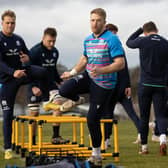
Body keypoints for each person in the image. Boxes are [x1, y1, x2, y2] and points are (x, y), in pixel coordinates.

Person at [59, 8, 125, 166]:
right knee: (64, 90)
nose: (94, 23)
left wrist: (102, 70)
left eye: (98, 20)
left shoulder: (112, 39)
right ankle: (77, 100)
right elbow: (84, 59)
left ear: (104, 22)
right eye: (92, 20)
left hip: (104, 84)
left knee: (92, 119)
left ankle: (96, 154)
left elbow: (120, 63)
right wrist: (72, 72)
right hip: (89, 76)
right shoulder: (88, 40)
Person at [0, 10, 50, 159]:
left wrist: (27, 59)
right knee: (8, 114)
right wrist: (12, 72)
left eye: (13, 23)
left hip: (22, 74)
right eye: (7, 23)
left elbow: (27, 57)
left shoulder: (18, 39)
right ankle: (8, 148)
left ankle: (47, 100)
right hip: (7, 81)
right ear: (2, 23)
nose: (10, 25)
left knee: (43, 72)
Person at [126, 21, 168, 155]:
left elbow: (129, 42)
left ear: (145, 31)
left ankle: (144, 148)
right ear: (157, 29)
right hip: (161, 85)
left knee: (144, 117)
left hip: (145, 84)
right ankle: (162, 139)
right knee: (161, 115)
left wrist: (139, 30)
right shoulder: (165, 42)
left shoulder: (143, 41)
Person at [28, 27, 69, 145]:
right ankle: (33, 141)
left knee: (58, 102)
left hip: (50, 85)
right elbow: (27, 70)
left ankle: (55, 136)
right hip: (35, 85)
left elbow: (53, 69)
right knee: (34, 113)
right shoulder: (34, 52)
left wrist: (59, 80)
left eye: (54, 41)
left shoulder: (55, 52)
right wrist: (33, 86)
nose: (51, 44)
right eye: (49, 41)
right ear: (43, 38)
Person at [104, 24, 141, 148]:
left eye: (115, 33)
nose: (114, 35)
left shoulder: (112, 46)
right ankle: (107, 139)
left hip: (116, 87)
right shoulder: (117, 46)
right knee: (124, 113)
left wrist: (128, 86)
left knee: (110, 113)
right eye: (113, 33)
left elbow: (123, 69)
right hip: (119, 86)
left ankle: (107, 139)